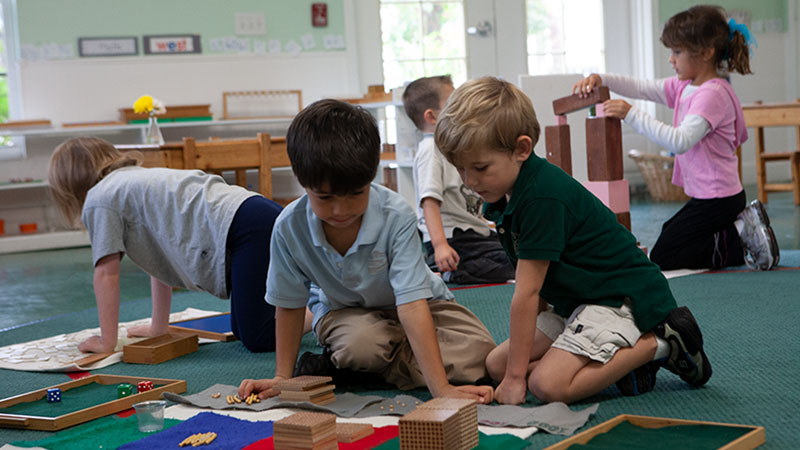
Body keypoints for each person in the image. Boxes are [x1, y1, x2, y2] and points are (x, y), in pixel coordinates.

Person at [434, 76, 712, 405]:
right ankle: (617, 365)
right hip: (579, 301)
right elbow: (536, 286)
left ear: (522, 149)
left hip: (621, 299)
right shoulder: (503, 191)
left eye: (479, 167)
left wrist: (515, 379)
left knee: (547, 386)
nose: (469, 181)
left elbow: (527, 292)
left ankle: (662, 343)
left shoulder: (541, 198)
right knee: (496, 364)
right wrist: (511, 371)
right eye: (461, 169)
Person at [238, 99, 496, 403]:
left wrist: (440, 389)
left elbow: (413, 305)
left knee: (482, 356)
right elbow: (289, 304)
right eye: (325, 197)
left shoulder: (396, 214)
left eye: (355, 194)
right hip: (345, 313)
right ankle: (376, 359)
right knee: (361, 345)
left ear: (372, 175)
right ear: (302, 181)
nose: (340, 210)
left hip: (422, 304)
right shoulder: (288, 226)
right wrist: (283, 376)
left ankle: (360, 368)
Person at [573, 5, 779, 271]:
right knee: (671, 234)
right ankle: (739, 230)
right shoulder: (686, 86)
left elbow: (679, 141)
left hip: (719, 198)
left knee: (665, 257)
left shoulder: (712, 94)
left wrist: (630, 114)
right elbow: (642, 87)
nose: (671, 59)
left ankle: (739, 235)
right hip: (710, 196)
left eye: (677, 52)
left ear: (706, 53)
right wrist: (602, 79)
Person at [48, 136, 285, 353]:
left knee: (257, 337)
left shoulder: (100, 198)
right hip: (254, 214)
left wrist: (106, 342)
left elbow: (106, 275)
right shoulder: (132, 180)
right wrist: (158, 328)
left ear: (70, 186)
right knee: (244, 329)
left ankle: (318, 314)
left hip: (246, 226)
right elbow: (160, 262)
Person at [403, 75, 514, 284]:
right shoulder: (430, 150)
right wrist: (440, 246)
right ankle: (445, 269)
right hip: (453, 238)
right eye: (453, 104)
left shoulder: (453, 147)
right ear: (432, 116)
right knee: (511, 262)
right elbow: (429, 202)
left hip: (475, 234)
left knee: (517, 251)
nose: (462, 109)